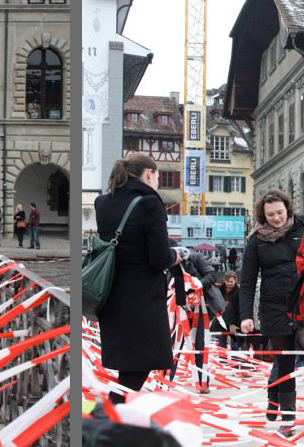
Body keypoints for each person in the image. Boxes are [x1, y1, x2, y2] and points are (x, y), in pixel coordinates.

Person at [94, 153, 183, 404]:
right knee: (139, 366)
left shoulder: (103, 202)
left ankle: (114, 422)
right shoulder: (149, 204)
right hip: (141, 299)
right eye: (156, 177)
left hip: (110, 293)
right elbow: (158, 258)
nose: (157, 182)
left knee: (129, 365)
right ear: (148, 174)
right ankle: (106, 419)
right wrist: (176, 255)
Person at [237, 189, 304, 430]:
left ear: (287, 209)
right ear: (262, 215)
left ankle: (279, 395)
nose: (276, 218)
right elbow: (246, 281)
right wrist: (246, 315)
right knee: (285, 361)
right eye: (270, 215)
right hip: (274, 308)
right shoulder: (257, 240)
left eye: (279, 212)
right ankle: (288, 418)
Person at [170, 238, 221, 394]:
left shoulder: (195, 258)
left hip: (201, 307)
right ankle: (164, 382)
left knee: (200, 345)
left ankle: (203, 383)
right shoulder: (165, 263)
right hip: (175, 309)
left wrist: (195, 285)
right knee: (172, 346)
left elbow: (212, 275)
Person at [217, 272, 241, 349]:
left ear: (235, 281)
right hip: (221, 320)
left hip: (234, 321)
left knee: (235, 343)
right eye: (228, 281)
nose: (229, 283)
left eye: (231, 281)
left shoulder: (239, 291)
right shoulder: (219, 289)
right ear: (225, 280)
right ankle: (222, 360)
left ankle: (236, 359)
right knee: (221, 343)